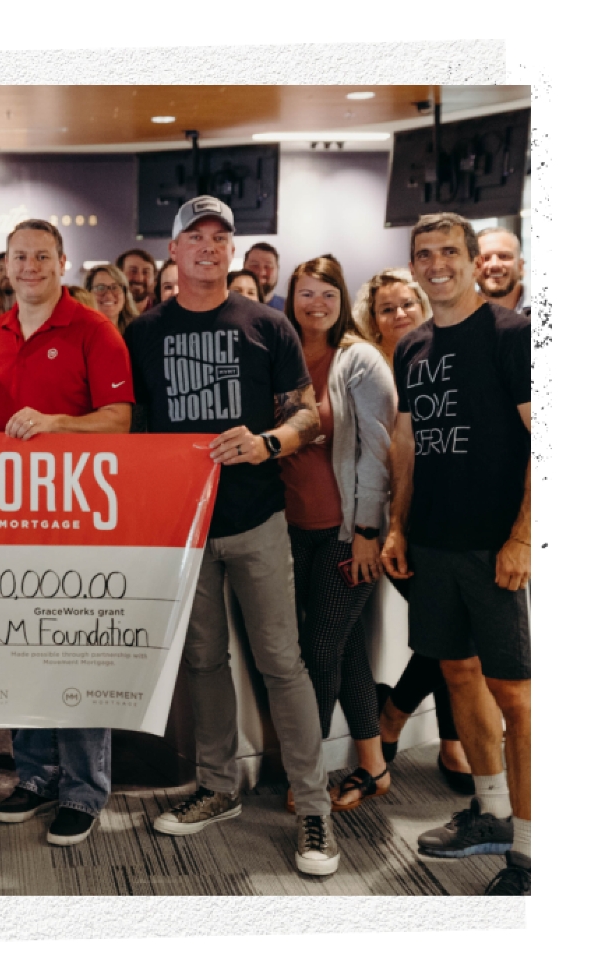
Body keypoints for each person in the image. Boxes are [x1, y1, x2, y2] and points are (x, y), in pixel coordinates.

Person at [123, 196, 339, 877]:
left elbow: (309, 416)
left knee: (282, 662)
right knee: (204, 662)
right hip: (184, 531)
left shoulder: (267, 325)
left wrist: (269, 441)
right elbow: (128, 430)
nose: (209, 247)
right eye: (196, 237)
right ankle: (218, 788)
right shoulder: (144, 332)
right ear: (175, 252)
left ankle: (313, 807)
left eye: (221, 237)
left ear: (232, 251)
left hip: (256, 522)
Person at [381, 212, 532, 895]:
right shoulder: (411, 347)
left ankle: (529, 853)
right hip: (433, 543)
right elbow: (408, 448)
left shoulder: (514, 334)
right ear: (413, 265)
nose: (435, 262)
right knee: (458, 674)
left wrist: (523, 536)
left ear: (473, 259)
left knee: (516, 698)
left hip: (494, 545)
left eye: (448, 251)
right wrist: (396, 527)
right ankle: (491, 813)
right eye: (423, 253)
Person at [0, 218, 133, 847]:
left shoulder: (95, 329)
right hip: (10, 520)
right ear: (7, 267)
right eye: (20, 257)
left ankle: (83, 789)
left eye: (42, 256)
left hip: (77, 520)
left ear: (63, 263)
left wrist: (57, 425)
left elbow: (119, 421)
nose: (31, 266)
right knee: (21, 649)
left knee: (74, 650)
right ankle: (35, 775)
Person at [278, 256, 396, 812]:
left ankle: (312, 776)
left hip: (346, 533)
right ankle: (373, 766)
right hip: (291, 531)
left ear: (341, 297)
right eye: (306, 293)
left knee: (318, 652)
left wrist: (368, 531)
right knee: (343, 648)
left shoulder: (361, 360)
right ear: (291, 297)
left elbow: (377, 453)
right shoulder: (281, 354)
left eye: (327, 293)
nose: (317, 304)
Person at [352, 268, 474, 791]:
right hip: (386, 521)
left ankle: (441, 736)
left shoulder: (443, 357)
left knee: (453, 626)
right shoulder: (368, 367)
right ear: (372, 321)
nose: (399, 314)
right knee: (447, 628)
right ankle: (400, 718)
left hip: (448, 516)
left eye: (408, 304)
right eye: (387, 308)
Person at [476, 227, 530, 316]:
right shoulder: (456, 317)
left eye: (504, 256)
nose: (494, 264)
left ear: (520, 265)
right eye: (485, 258)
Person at [84, 263, 141, 333]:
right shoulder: (80, 334)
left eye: (115, 287)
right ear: (87, 293)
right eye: (100, 288)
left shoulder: (139, 333)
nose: (108, 295)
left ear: (125, 294)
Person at [244, 242, 284, 310]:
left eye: (268, 266)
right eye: (254, 265)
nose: (261, 272)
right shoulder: (227, 307)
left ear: (278, 270)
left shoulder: (290, 310)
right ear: (243, 267)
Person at [117, 247, 158, 312]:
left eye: (146, 272)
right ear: (118, 275)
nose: (139, 278)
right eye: (133, 271)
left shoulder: (164, 314)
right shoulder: (106, 314)